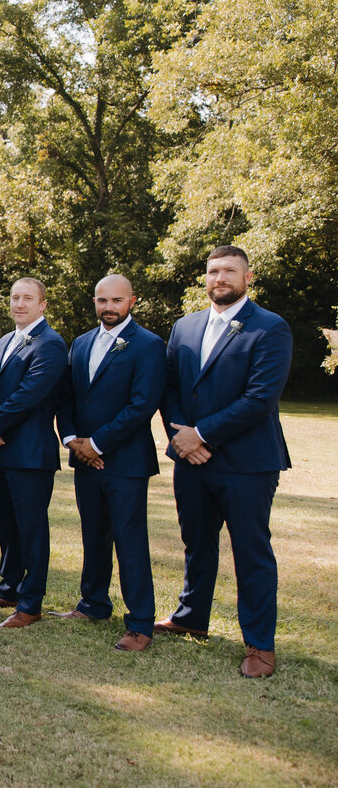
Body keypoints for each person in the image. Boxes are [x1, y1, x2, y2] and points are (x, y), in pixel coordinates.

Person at [157, 246, 291, 678]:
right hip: (191, 460)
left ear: (247, 277)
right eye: (213, 271)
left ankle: (259, 645)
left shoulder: (270, 328)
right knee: (196, 542)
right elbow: (171, 387)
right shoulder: (185, 326)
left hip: (248, 462)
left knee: (251, 552)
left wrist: (203, 433)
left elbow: (259, 399)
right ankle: (191, 616)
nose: (220, 278)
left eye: (229, 271)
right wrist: (183, 439)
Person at [52, 275, 164, 651]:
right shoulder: (81, 343)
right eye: (102, 300)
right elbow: (67, 398)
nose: (108, 307)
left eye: (116, 300)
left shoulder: (148, 345)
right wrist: (72, 440)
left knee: (130, 541)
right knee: (93, 535)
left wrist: (98, 444)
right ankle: (93, 603)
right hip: (84, 459)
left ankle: (140, 624)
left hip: (126, 461)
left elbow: (142, 404)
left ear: (132, 301)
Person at [0, 277, 66, 628]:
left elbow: (29, 394)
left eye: (28, 298)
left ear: (42, 304)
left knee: (31, 528)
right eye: (15, 297)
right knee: (7, 525)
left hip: (29, 453)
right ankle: (9, 586)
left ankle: (30, 603)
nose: (20, 304)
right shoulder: (3, 342)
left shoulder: (50, 344)